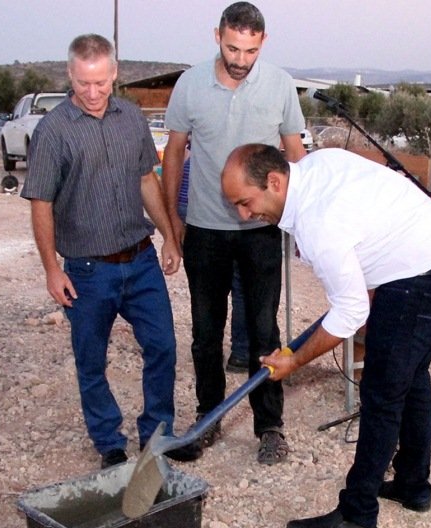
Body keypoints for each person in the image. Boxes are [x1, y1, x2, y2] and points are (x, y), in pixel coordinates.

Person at [221, 144, 431, 528]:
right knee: (410, 377)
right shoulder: (315, 166)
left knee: (382, 392)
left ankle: (358, 513)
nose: (245, 215)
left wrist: (295, 360)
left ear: (274, 181)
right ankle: (412, 485)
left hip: (424, 276)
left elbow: (350, 312)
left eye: (246, 202)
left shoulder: (319, 222)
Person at [22, 34, 195, 469]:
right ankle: (109, 442)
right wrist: (51, 269)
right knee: (91, 359)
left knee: (162, 347)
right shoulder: (53, 131)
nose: (93, 93)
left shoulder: (132, 119)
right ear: (70, 75)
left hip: (139, 261)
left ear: (115, 74)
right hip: (86, 270)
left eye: (101, 82)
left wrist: (171, 236)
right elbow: (40, 202)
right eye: (84, 83)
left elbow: (145, 182)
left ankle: (158, 435)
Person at [163, 2, 307, 465]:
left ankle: (270, 427)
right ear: (217, 37)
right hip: (205, 230)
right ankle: (208, 419)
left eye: (249, 50)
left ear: (263, 42)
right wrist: (172, 223)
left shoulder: (281, 85)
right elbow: (174, 155)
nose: (240, 59)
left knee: (264, 330)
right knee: (206, 333)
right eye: (232, 48)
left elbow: (295, 154)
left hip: (262, 230)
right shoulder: (189, 85)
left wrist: (302, 218)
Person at [176, 150, 250, 373]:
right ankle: (241, 352)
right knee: (240, 289)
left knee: (208, 296)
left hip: (198, 222)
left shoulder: (196, 158)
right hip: (227, 226)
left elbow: (181, 199)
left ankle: (212, 355)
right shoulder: (238, 162)